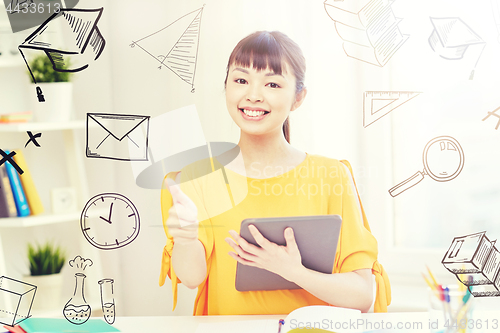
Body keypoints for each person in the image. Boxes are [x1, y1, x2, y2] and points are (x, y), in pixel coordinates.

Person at [159, 31, 391, 315]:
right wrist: (185, 239)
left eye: (272, 83)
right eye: (241, 80)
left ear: (298, 98)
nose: (253, 95)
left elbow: (362, 294)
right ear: (226, 87)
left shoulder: (331, 176)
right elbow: (191, 278)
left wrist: (294, 271)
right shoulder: (199, 179)